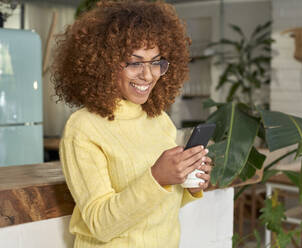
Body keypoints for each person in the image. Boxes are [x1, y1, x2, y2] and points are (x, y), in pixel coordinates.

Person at [52, 1, 213, 247]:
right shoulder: (84, 127)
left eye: (155, 62)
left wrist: (189, 181)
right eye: (135, 62)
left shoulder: (159, 119)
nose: (148, 75)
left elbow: (160, 205)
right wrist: (157, 178)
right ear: (103, 64)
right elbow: (100, 224)